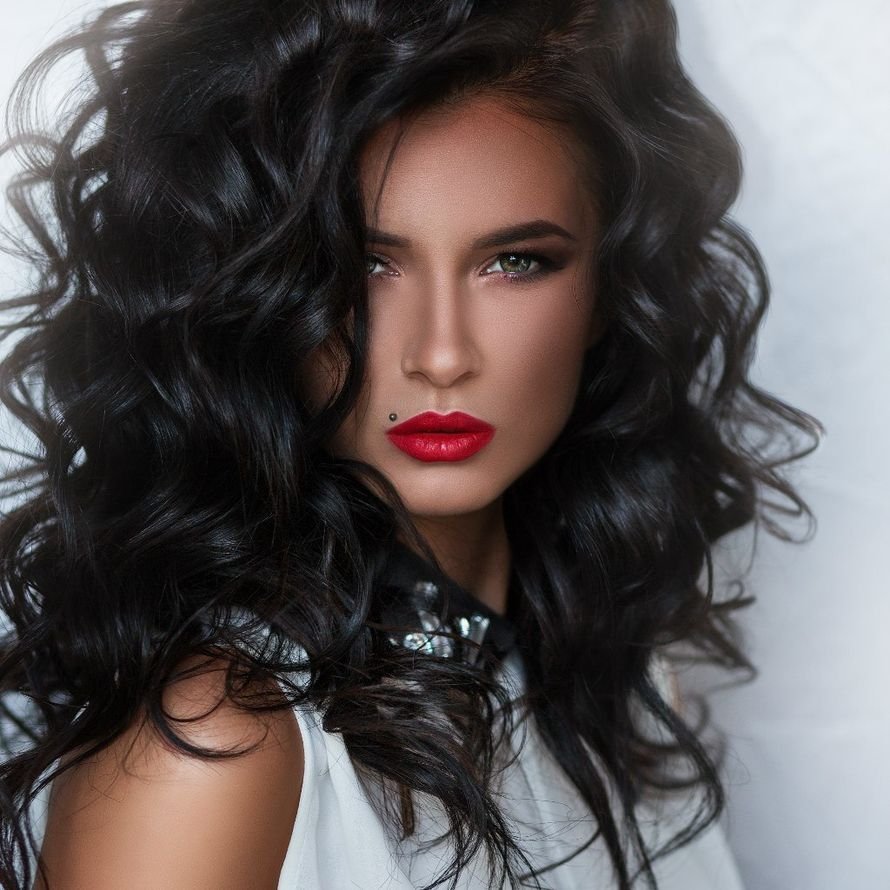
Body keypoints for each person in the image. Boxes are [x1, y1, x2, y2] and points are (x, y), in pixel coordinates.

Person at [0, 1, 821, 888]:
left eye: (516, 262)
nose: (441, 355)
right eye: (364, 264)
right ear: (254, 293)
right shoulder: (212, 750)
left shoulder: (624, 685)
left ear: (611, 287)